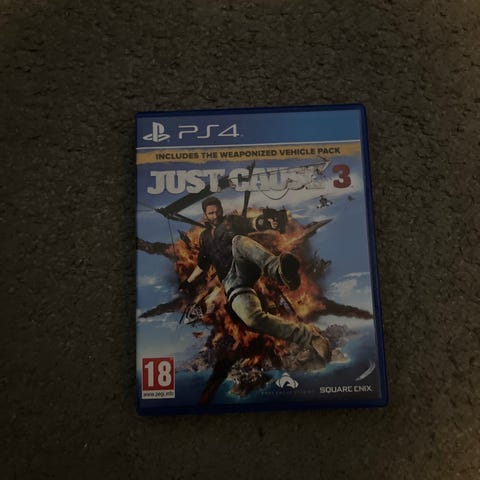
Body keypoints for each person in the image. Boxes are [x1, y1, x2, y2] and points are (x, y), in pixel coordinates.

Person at [180, 196, 331, 363]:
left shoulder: (231, 221)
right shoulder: (204, 238)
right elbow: (202, 265)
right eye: (211, 213)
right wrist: (187, 282)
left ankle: (279, 270)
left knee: (239, 241)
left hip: (243, 261)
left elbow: (252, 224)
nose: (215, 215)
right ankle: (312, 338)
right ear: (205, 215)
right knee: (251, 319)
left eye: (217, 211)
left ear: (221, 210)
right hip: (231, 282)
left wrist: (267, 222)